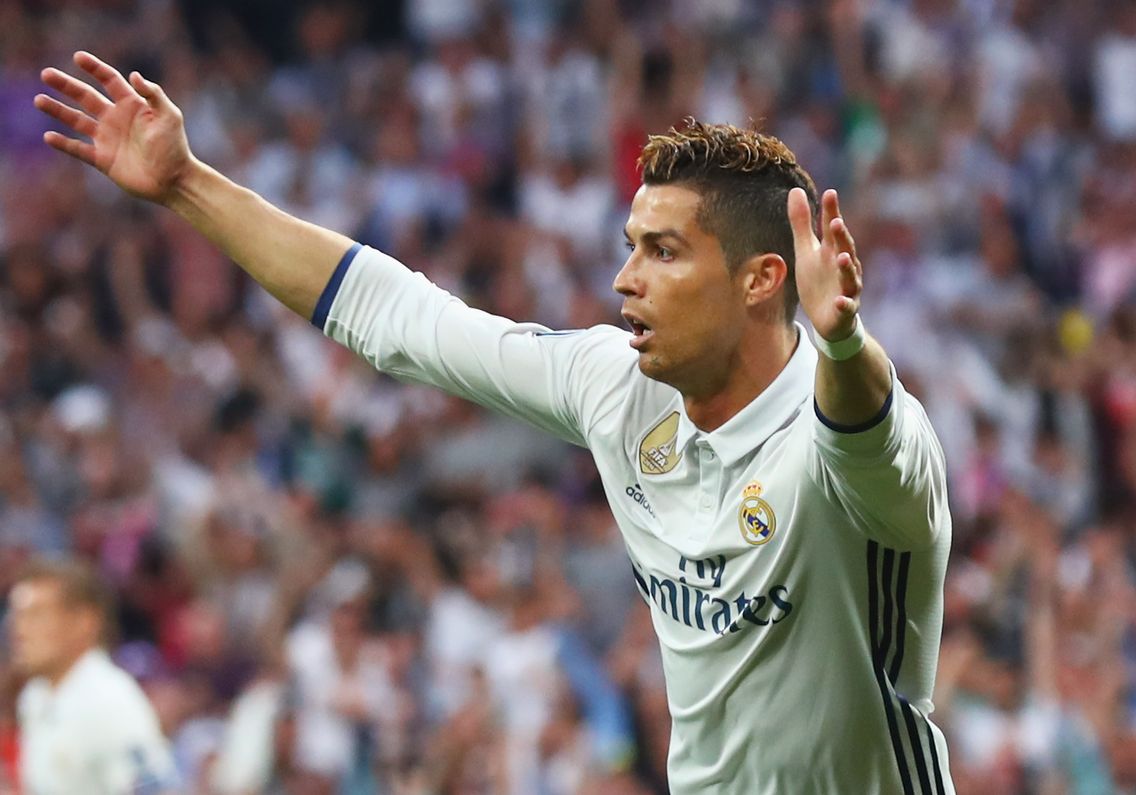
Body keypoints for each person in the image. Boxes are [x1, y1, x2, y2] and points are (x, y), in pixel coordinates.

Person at [34, 51, 954, 794]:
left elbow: (864, 435)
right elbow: (403, 323)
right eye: (630, 246)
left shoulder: (861, 439)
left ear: (761, 279)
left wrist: (841, 344)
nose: (624, 279)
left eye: (662, 252)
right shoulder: (616, 387)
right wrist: (189, 183)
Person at [9, 559, 178, 794]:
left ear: (84, 622)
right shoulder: (36, 695)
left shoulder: (109, 701)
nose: (19, 630)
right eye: (17, 615)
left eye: (36, 614)